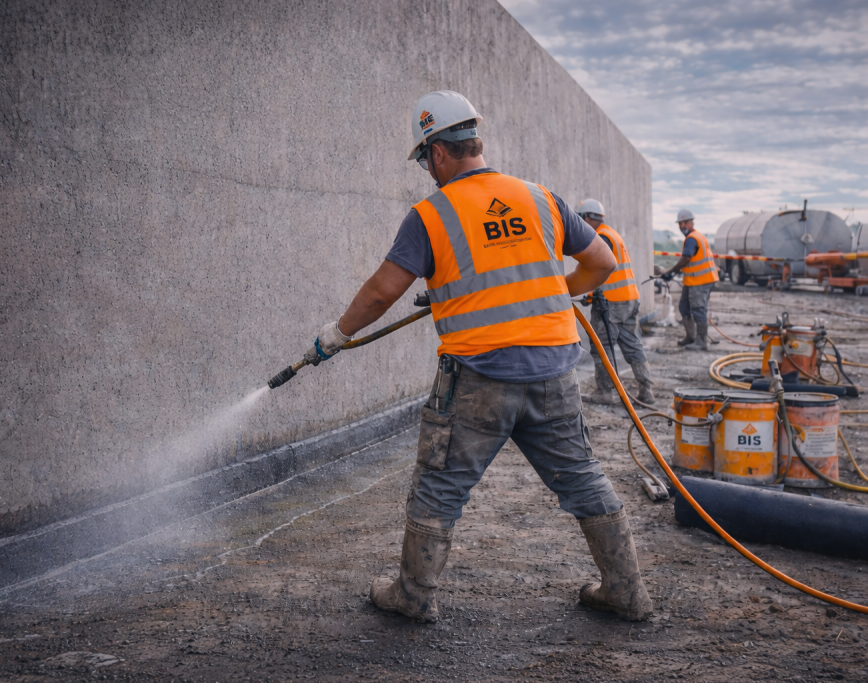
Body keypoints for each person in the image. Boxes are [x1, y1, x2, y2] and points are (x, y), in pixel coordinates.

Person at [305, 91, 653, 624]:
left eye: (424, 160)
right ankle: (626, 592)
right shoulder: (540, 198)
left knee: (441, 484)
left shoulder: (431, 213)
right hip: (554, 370)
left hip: (478, 376)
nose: (426, 170)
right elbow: (600, 261)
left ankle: (414, 595)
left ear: (437, 153)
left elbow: (381, 292)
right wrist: (557, 290)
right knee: (582, 475)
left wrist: (336, 334)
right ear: (475, 142)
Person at [576, 199, 656, 405]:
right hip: (629, 299)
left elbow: (600, 268)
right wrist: (593, 295)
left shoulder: (601, 237)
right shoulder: (612, 233)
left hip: (611, 304)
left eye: (580, 217)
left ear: (587, 217)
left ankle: (604, 391)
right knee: (632, 344)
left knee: (601, 346)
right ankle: (646, 390)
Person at [661, 209, 719, 350]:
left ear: (689, 223)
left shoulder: (693, 238)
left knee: (698, 309)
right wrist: (674, 272)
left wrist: (671, 272)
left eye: (683, 224)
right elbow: (690, 261)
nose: (681, 227)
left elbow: (686, 258)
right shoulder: (695, 237)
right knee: (684, 307)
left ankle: (701, 342)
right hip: (693, 280)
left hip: (701, 280)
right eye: (680, 224)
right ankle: (691, 337)